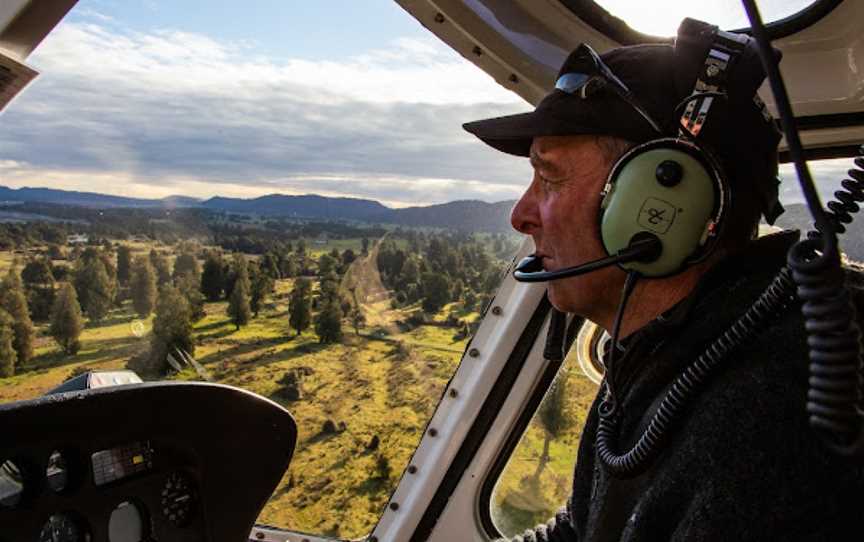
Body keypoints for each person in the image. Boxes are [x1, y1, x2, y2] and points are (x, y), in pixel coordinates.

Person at [464, 18, 864, 542]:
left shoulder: (769, 414)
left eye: (550, 176)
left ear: (661, 201)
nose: (521, 214)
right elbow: (585, 529)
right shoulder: (670, 354)